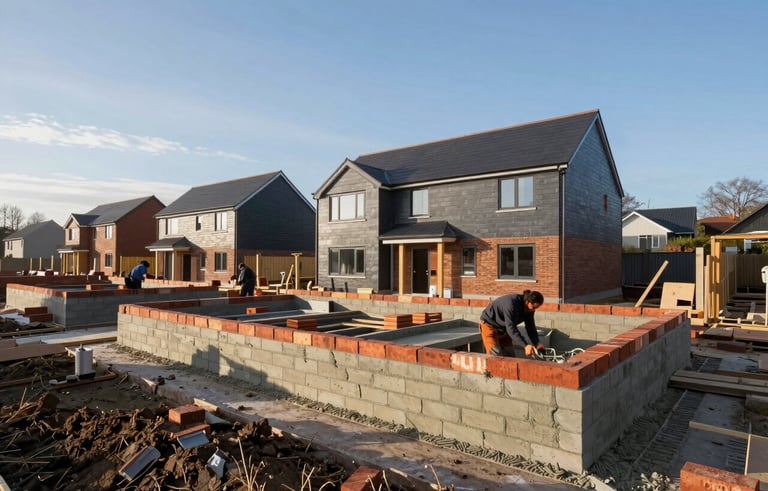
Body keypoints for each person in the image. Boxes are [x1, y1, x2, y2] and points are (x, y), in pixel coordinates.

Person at [479, 290, 545, 357]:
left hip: (503, 328)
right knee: (495, 355)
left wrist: (537, 343)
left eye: (536, 308)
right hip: (489, 325)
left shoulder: (529, 309)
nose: (533, 310)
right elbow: (511, 328)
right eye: (533, 307)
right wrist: (525, 345)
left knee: (509, 354)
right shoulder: (511, 304)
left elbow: (530, 327)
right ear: (527, 302)